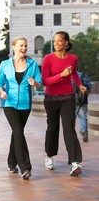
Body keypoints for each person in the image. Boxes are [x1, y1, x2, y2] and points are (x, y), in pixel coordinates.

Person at [41, 31, 87, 176]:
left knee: (69, 128)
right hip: (51, 98)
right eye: (55, 41)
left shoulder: (73, 58)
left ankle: (75, 163)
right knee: (52, 128)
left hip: (68, 97)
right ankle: (49, 156)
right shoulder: (48, 59)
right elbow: (45, 81)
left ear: (66, 42)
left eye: (60, 41)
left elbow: (73, 73)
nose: (56, 44)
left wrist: (79, 85)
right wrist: (61, 75)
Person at [0, 36, 42, 180]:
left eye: (25, 46)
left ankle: (11, 162)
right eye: (21, 46)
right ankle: (25, 167)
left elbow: (39, 84)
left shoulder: (32, 64)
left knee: (17, 133)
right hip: (9, 103)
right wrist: (2, 92)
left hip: (25, 104)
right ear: (14, 47)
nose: (24, 48)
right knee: (18, 131)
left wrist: (33, 82)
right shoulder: (5, 64)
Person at [75, 70, 92, 142]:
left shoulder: (67, 75)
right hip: (82, 100)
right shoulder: (84, 75)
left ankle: (71, 134)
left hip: (71, 100)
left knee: (71, 118)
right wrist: (86, 96)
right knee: (83, 117)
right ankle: (84, 130)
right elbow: (89, 87)